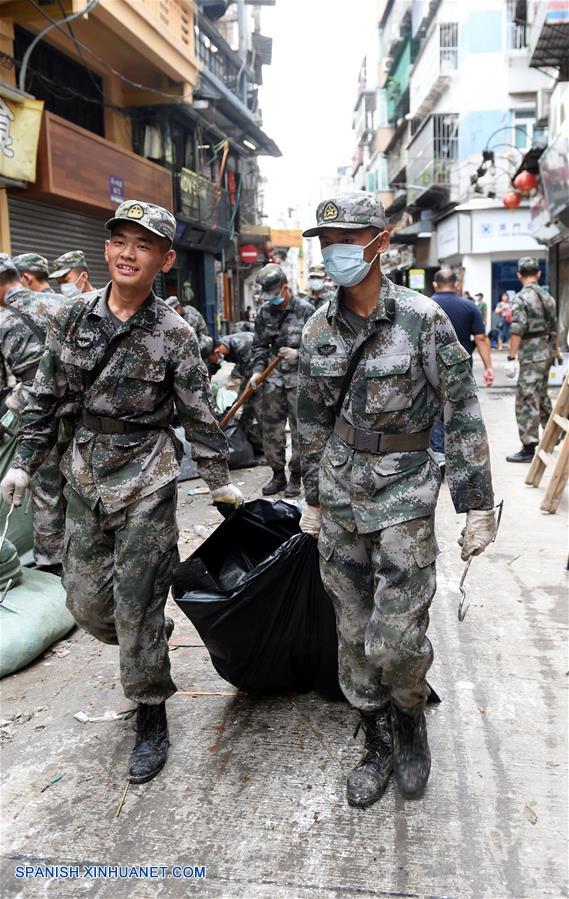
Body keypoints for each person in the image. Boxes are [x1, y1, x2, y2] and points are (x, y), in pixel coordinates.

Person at [1, 200, 244, 784]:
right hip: (85, 471)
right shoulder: (72, 318)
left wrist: (220, 484)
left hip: (149, 475)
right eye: (118, 242)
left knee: (136, 600)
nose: (127, 253)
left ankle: (150, 712)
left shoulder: (175, 334)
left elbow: (199, 415)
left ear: (163, 259)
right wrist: (24, 465)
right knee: (84, 601)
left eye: (142, 245)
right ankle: (146, 637)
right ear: (106, 250)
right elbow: (43, 396)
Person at [298, 191, 496, 808]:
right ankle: (377, 734)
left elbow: (461, 408)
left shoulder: (424, 318)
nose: (334, 253)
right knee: (354, 630)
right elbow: (309, 421)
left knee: (398, 636)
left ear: (379, 243)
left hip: (407, 489)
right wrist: (309, 493)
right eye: (326, 243)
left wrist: (476, 503)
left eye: (346, 240)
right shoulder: (316, 329)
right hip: (339, 492)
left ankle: (410, 720)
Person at [0, 255, 65, 573]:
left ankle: (53, 564)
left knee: (47, 489)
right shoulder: (60, 304)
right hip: (83, 410)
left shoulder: (0, 322)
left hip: (39, 417)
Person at [249, 263, 314, 498]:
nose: (270, 300)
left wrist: (300, 354)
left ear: (285, 288)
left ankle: (296, 476)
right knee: (271, 429)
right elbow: (258, 346)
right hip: (273, 379)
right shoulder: (264, 313)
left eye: (274, 294)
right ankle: (277, 474)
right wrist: (257, 371)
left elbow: (321, 348)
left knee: (300, 431)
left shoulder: (307, 311)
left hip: (299, 380)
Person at [429, 270, 494, 469]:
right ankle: (463, 458)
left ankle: (439, 454)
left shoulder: (425, 305)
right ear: (456, 284)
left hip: (430, 367)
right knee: (462, 410)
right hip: (461, 368)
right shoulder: (469, 306)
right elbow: (481, 339)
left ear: (435, 284)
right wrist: (488, 367)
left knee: (434, 409)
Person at [505, 257, 559, 463]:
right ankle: (554, 436)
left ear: (519, 275)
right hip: (546, 351)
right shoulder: (548, 297)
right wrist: (555, 351)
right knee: (542, 394)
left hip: (530, 353)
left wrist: (511, 355)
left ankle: (529, 446)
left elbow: (517, 329)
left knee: (526, 398)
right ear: (538, 274)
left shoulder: (521, 298)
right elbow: (555, 327)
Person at [207, 331, 262, 447]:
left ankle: (265, 445)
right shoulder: (221, 350)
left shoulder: (243, 344)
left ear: (217, 353)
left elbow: (250, 375)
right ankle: (243, 444)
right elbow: (211, 368)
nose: (216, 362)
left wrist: (241, 404)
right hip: (247, 372)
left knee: (259, 407)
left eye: (213, 359)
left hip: (261, 373)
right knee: (242, 409)